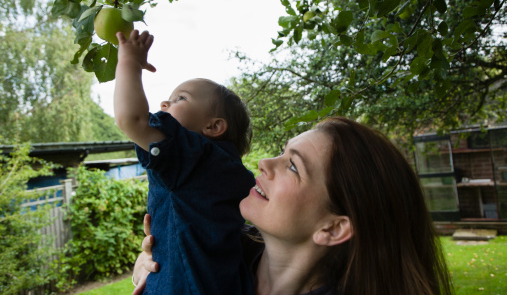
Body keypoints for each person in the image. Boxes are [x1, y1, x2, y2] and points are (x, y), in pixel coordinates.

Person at [133, 116, 454, 295]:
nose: (264, 162)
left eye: (293, 166)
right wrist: (157, 263)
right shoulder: (217, 250)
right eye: (282, 152)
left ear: (333, 227)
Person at [114, 30, 255, 294]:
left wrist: (129, 62)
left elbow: (131, 119)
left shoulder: (192, 157)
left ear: (213, 127)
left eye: (181, 98)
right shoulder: (231, 172)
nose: (165, 102)